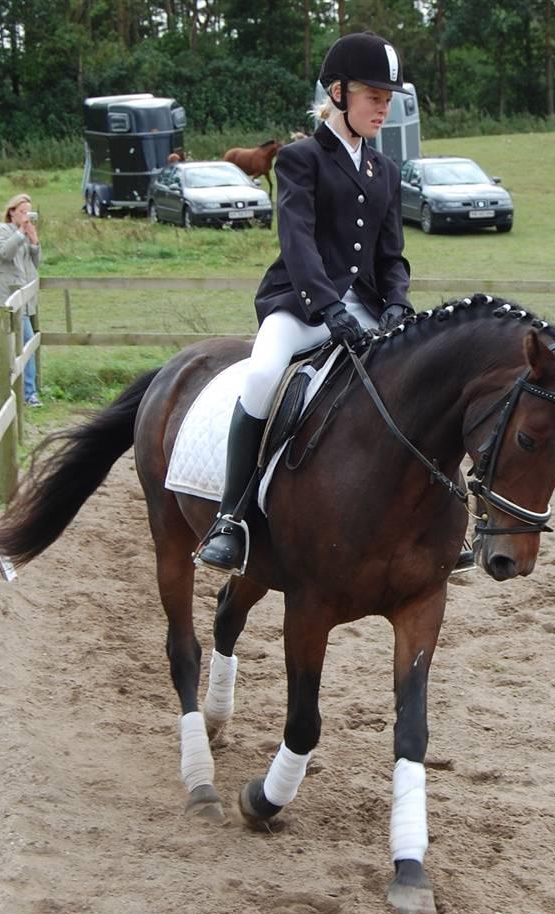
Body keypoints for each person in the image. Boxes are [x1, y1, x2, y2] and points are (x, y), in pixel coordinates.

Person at [197, 31, 413, 574]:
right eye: (374, 97)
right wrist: (328, 308)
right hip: (299, 305)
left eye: (388, 100)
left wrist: (395, 303)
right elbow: (297, 241)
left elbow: (392, 254)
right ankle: (231, 517)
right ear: (339, 93)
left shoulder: (384, 170)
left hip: (364, 307)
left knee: (419, 378)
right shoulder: (300, 158)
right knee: (264, 375)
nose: (383, 109)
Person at [0, 193, 43, 406]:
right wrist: (21, 233)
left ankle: (20, 390)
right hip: (8, 302)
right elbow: (4, 253)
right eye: (22, 212)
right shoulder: (2, 232)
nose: (26, 216)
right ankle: (28, 393)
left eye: (28, 212)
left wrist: (34, 241)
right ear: (12, 212)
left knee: (22, 347)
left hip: (24, 301)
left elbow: (36, 263)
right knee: (23, 344)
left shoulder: (25, 234)